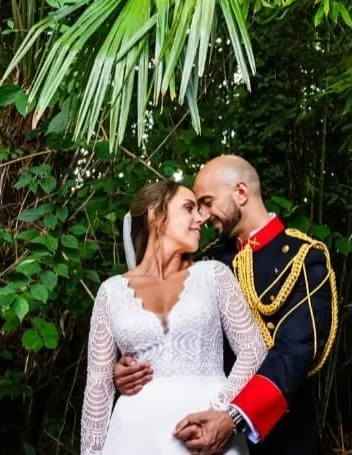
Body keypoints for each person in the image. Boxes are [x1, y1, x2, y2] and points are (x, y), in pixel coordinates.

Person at [114, 156, 338, 455]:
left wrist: (234, 416)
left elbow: (295, 351)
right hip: (203, 435)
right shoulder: (208, 263)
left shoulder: (302, 257)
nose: (203, 216)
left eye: (207, 202)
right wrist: (131, 368)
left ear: (241, 193)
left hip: (281, 437)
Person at [79, 180, 268, 455]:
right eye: (189, 208)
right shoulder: (110, 293)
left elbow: (254, 347)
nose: (200, 218)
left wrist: (223, 412)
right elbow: (97, 390)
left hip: (207, 436)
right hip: (133, 436)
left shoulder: (214, 275)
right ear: (155, 215)